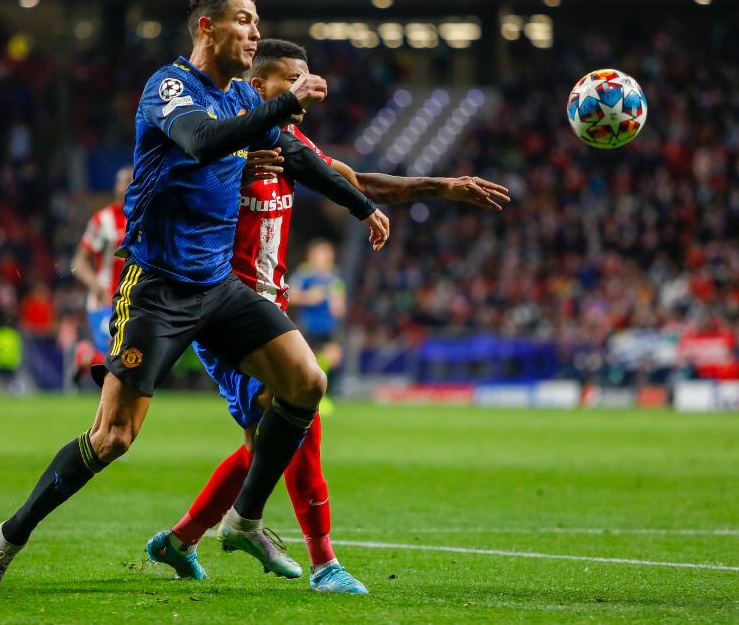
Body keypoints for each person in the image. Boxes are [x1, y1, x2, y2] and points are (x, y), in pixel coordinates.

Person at [0, 0, 390, 593]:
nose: (253, 32)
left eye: (257, 21)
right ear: (207, 28)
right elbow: (203, 140)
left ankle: (243, 519)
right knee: (112, 438)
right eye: (242, 20)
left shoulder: (242, 96)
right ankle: (5, 540)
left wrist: (361, 206)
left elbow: (296, 157)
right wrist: (282, 104)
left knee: (306, 382)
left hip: (218, 286)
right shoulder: (170, 88)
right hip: (158, 288)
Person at [144, 39, 509, 594]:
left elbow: (354, 180)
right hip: (224, 309)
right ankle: (323, 562)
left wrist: (443, 186)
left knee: (265, 444)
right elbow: (173, 183)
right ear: (258, 86)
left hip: (269, 309)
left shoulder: (287, 144)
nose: (306, 90)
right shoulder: (226, 148)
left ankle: (183, 537)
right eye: (293, 79)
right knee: (300, 418)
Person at [70, 167, 132, 385]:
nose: (128, 185)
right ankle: (87, 356)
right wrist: (96, 286)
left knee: (128, 358)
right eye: (124, 181)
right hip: (104, 299)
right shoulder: (102, 220)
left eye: (132, 181)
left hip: (132, 299)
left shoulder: (144, 219)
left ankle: (85, 356)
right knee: (114, 358)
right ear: (116, 187)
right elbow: (78, 263)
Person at [289, 240, 346, 378]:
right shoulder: (303, 274)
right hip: (309, 325)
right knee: (308, 360)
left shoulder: (334, 276)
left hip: (329, 326)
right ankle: (313, 381)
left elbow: (341, 303)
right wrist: (307, 297)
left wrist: (337, 305)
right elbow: (288, 295)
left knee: (335, 357)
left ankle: (319, 380)